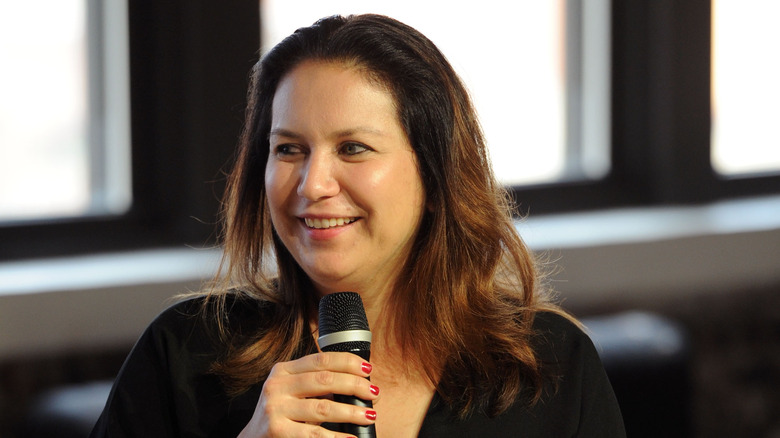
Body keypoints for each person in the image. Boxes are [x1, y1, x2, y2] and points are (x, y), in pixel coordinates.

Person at [91, 13, 625, 437]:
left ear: (436, 177)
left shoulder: (550, 366)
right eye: (289, 149)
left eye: (353, 148)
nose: (313, 183)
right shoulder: (183, 354)